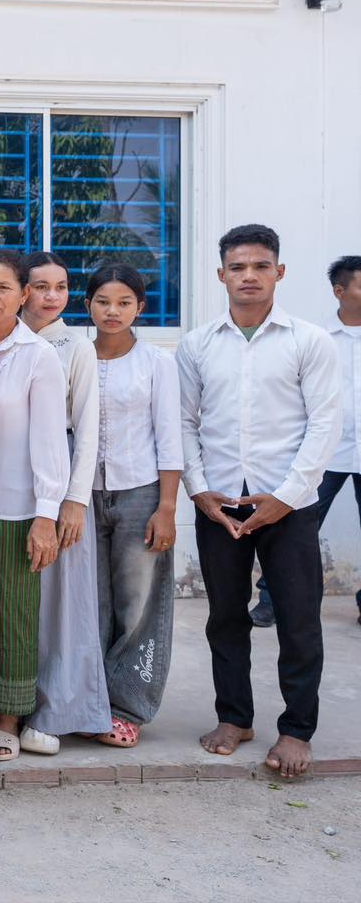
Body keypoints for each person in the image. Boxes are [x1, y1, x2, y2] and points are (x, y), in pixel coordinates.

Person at [179, 224, 340, 779]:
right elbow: (185, 422)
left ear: (279, 272)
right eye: (238, 267)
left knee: (298, 619)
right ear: (221, 274)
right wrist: (199, 490)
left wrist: (286, 498)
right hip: (219, 502)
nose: (249, 276)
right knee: (225, 616)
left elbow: (324, 425)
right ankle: (234, 717)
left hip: (288, 504)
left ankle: (297, 729)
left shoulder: (308, 341)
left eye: (260, 266)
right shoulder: (198, 343)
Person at [0, 249, 69, 762]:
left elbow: (51, 440)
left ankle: (7, 717)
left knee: (12, 613)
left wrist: (46, 515)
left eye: (3, 288)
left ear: (23, 294)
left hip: (15, 504)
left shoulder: (37, 356)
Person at [85, 263, 183, 748]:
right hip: (83, 496)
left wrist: (167, 508)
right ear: (88, 305)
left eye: (124, 302)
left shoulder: (157, 363)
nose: (113, 311)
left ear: (140, 307)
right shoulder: (75, 358)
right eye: (103, 301)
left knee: (137, 602)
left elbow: (170, 436)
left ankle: (128, 706)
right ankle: (90, 700)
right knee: (91, 601)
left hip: (141, 492)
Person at [18, 252, 111, 754]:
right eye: (41, 286)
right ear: (22, 290)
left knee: (63, 598)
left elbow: (88, 427)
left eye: (61, 286)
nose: (52, 296)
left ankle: (59, 709)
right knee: (13, 592)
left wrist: (75, 501)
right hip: (6, 474)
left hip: (62, 470)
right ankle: (4, 703)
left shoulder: (76, 347)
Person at [250, 255, 361, 629]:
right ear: (339, 291)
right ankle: (270, 600)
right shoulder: (314, 338)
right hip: (325, 453)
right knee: (291, 527)